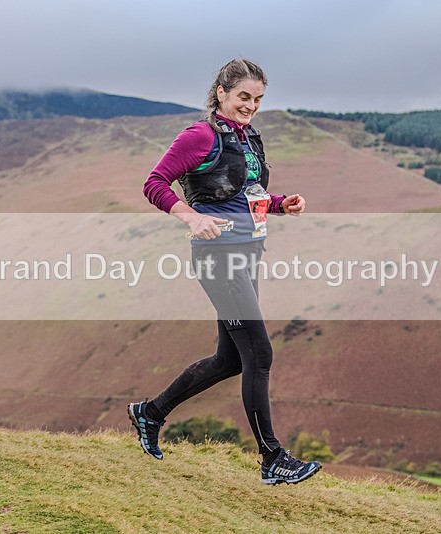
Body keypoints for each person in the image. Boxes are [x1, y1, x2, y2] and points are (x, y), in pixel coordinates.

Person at [129, 59, 321, 485]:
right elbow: (155, 182)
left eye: (258, 99)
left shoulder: (248, 138)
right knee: (259, 352)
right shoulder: (199, 135)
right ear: (221, 93)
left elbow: (244, 193)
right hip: (218, 256)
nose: (251, 105)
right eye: (243, 97)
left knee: (229, 359)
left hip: (248, 252)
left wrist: (278, 203)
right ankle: (273, 458)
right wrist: (190, 217)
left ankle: (150, 413)